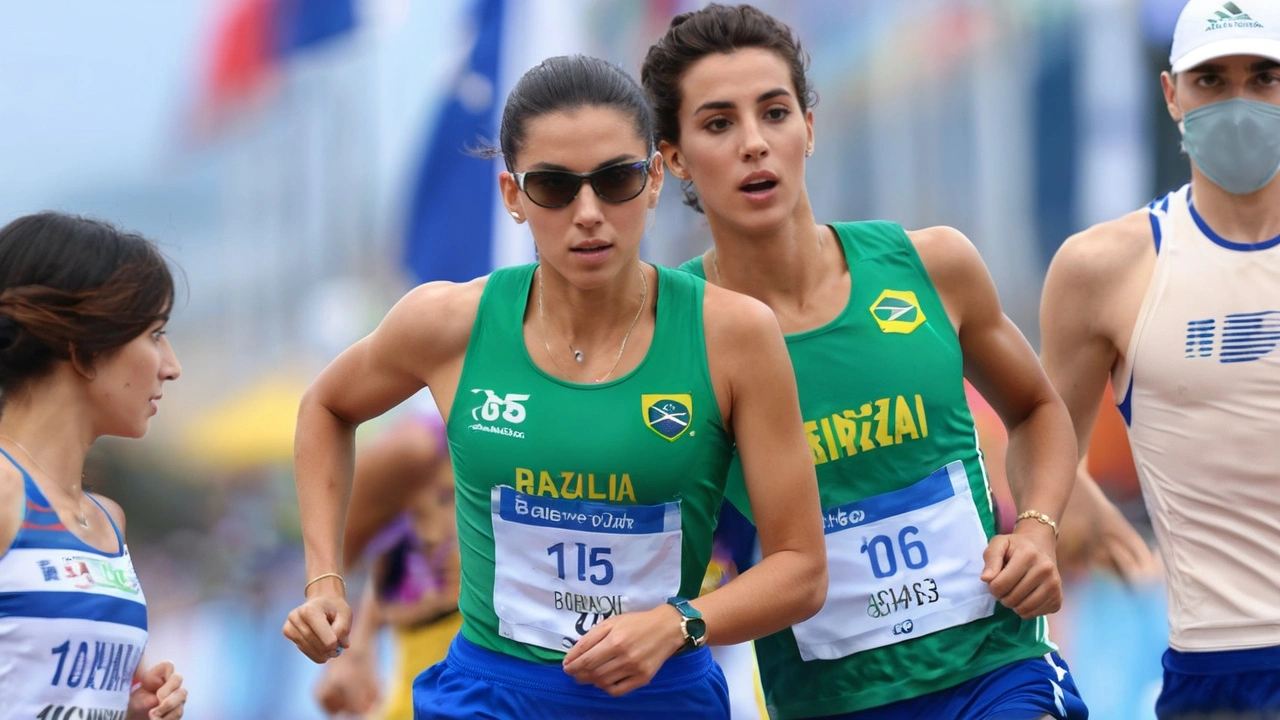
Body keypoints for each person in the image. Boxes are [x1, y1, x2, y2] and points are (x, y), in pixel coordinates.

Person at [282, 54, 827, 720]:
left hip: (661, 700)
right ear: (513, 196)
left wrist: (678, 623)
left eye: (616, 179)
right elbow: (327, 406)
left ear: (654, 178)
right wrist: (323, 579)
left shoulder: (733, 334)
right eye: (554, 187)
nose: (589, 212)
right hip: (488, 697)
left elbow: (801, 568)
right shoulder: (448, 322)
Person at [641, 5, 1087, 719]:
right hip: (829, 700)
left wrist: (1036, 527)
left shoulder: (932, 265)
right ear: (675, 159)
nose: (755, 143)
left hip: (995, 672)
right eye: (719, 124)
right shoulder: (671, 336)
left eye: (775, 113)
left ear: (810, 128)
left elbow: (1036, 410)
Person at [1040, 0, 1280, 716]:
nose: (1239, 104)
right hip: (1217, 673)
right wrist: (1079, 518)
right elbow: (1038, 449)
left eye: (1263, 77)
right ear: (1171, 94)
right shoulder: (1106, 269)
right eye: (1212, 81)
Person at [0, 212, 188, 720]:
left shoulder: (108, 520)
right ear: (83, 350)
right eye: (154, 333)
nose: (171, 366)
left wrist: (130, 709)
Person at [315, 414, 462, 720]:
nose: (435, 533)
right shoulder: (416, 445)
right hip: (421, 656)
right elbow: (375, 550)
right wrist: (355, 650)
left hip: (482, 649)